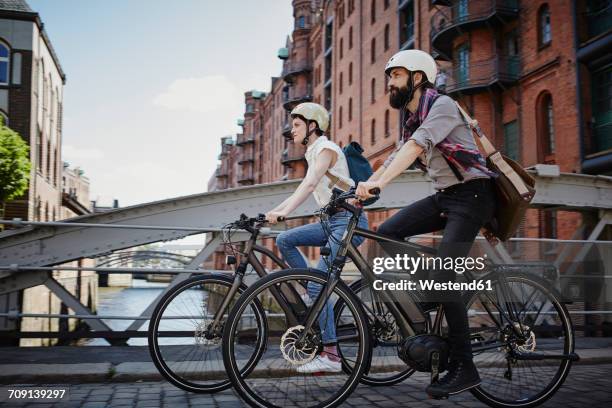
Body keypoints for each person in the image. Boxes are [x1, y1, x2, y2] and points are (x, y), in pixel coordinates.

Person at [355, 49, 497, 398]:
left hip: (474, 195)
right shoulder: (412, 115)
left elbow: (415, 149)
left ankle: (465, 367)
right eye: (391, 76)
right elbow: (394, 155)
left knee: (447, 277)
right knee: (387, 232)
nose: (390, 83)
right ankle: (433, 289)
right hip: (447, 196)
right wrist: (361, 187)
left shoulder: (442, 106)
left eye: (396, 75)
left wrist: (379, 185)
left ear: (418, 78)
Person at [266, 102, 369, 373]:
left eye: (298, 125)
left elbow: (309, 184)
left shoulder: (325, 149)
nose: (292, 130)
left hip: (348, 223)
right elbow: (305, 185)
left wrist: (284, 212)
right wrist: (275, 211)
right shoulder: (313, 152)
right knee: (284, 240)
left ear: (313, 126)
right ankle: (312, 290)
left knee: (318, 287)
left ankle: (332, 355)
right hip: (331, 222)